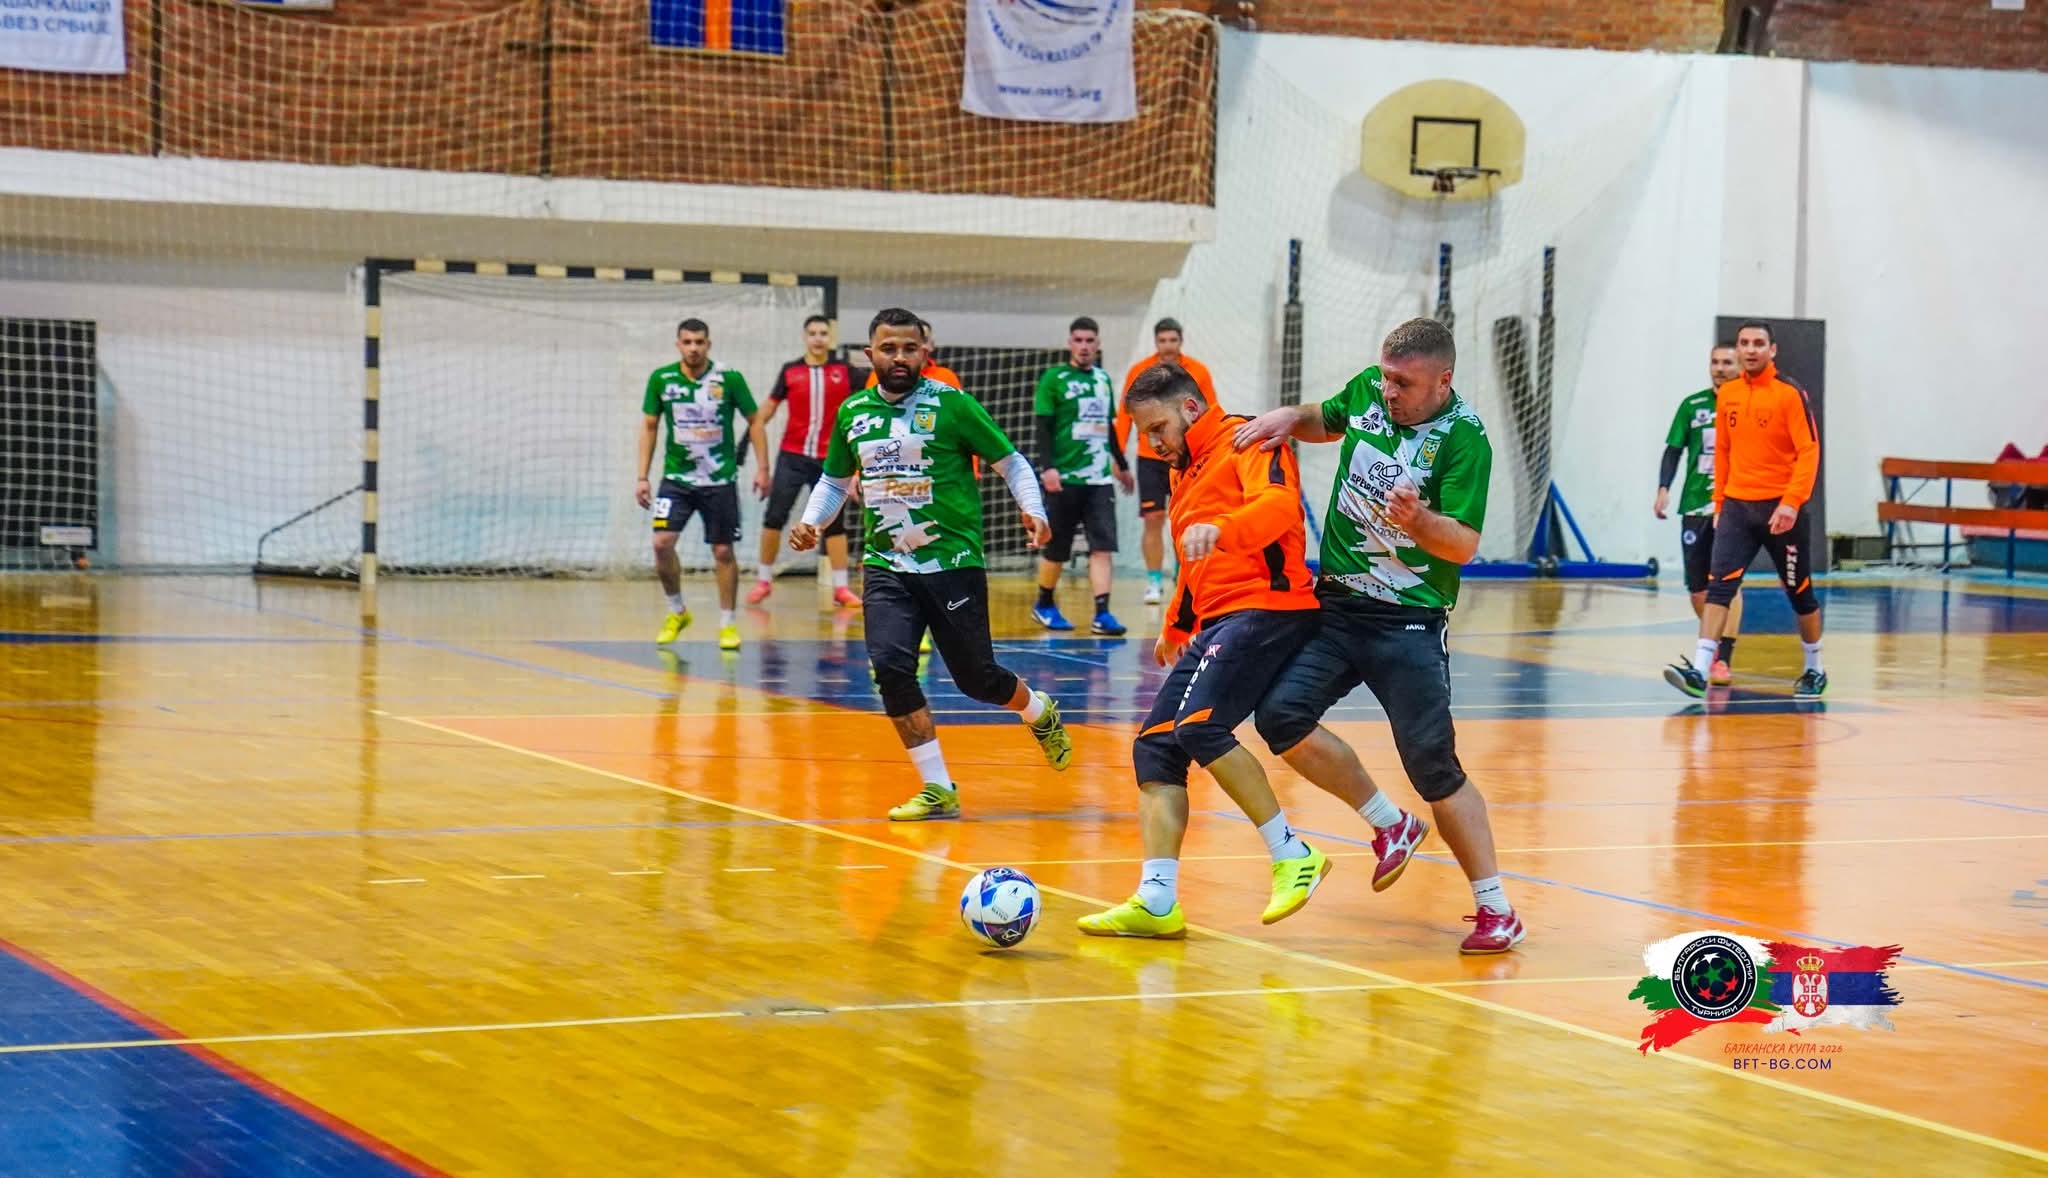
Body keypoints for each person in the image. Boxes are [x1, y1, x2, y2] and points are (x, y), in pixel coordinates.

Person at [1078, 365, 1414, 937]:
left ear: (1189, 408)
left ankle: (1292, 855)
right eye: (1144, 435)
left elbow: (1280, 508)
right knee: (1155, 748)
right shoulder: (1184, 473)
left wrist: (1225, 529)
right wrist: (1175, 624)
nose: (1153, 444)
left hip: (1269, 607)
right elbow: (1193, 562)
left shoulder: (1247, 439)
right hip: (1218, 620)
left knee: (1200, 727)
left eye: (1158, 428)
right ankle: (1156, 899)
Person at [1236, 317, 1523, 955]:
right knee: (1280, 716)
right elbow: (1325, 418)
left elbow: (1464, 545)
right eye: (1387, 378)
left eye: (1404, 383)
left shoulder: (1465, 439)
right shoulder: (1370, 389)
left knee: (1434, 767)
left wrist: (1419, 521)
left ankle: (1496, 908)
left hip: (1408, 623)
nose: (1390, 391)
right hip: (1338, 609)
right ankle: (1389, 824)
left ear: (1443, 380)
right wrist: (1289, 417)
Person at [790, 307, 1074, 821]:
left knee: (977, 679)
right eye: (888, 349)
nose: (899, 357)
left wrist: (1034, 509)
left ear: (925, 352)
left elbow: (1011, 462)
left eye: (909, 348)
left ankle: (1038, 710)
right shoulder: (853, 412)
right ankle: (938, 787)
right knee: (891, 669)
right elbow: (834, 482)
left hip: (952, 563)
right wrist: (812, 522)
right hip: (885, 565)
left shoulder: (953, 404)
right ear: (870, 354)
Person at [1664, 320, 1826, 700]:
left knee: (1799, 591)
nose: (1750, 349)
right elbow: (1723, 451)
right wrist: (1720, 503)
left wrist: (1791, 502)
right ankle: (1701, 670)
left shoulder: (1789, 394)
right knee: (1719, 586)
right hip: (1737, 507)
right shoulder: (1730, 394)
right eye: (1744, 343)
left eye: (1758, 343)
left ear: (1772, 350)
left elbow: (1808, 451)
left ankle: (1815, 668)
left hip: (1780, 509)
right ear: (1738, 350)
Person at [636, 318, 769, 652]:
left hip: (719, 480)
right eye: (687, 342)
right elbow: (650, 426)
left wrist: (763, 468)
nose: (693, 348)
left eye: (699, 342)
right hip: (676, 480)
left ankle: (727, 624)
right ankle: (677, 611)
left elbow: (755, 421)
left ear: (708, 344)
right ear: (678, 345)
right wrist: (642, 476)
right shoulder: (662, 379)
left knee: (723, 551)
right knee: (661, 543)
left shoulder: (729, 378)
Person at [750, 314, 862, 609]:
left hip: (829, 459)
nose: (818, 338)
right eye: (812, 333)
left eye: (823, 333)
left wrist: (857, 466)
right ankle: (763, 581)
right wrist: (754, 451)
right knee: (774, 516)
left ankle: (841, 588)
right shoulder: (791, 371)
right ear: (805, 337)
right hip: (792, 456)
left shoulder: (845, 370)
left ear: (830, 338)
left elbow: (865, 408)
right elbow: (764, 413)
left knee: (835, 523)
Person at [1032, 316, 1135, 635]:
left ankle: (1102, 613)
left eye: (1090, 340)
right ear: (1070, 344)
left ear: (1098, 344)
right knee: (1057, 548)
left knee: (1102, 547)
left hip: (1099, 480)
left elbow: (1109, 429)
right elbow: (1043, 428)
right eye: (1078, 340)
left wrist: (1122, 465)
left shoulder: (1103, 380)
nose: (1084, 346)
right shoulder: (1054, 378)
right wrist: (1048, 468)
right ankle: (1044, 603)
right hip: (1064, 478)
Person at [1656, 343, 1744, 684]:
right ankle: (1714, 642)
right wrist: (1663, 488)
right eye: (1715, 362)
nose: (1720, 368)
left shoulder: (1747, 404)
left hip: (1733, 505)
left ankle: (1722, 659)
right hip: (1694, 504)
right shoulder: (1692, 405)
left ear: (1739, 366)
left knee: (1727, 581)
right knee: (1697, 588)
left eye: (1727, 362)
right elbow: (1673, 450)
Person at [1114, 318, 1217, 606]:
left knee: (1186, 518)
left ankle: (1185, 576)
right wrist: (1118, 457)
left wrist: (1207, 451)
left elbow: (1208, 411)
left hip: (1185, 456)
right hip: (1149, 459)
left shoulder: (1198, 372)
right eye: (1163, 340)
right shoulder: (1139, 371)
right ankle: (1154, 580)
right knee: (1153, 518)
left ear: (1180, 341)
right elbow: (1124, 415)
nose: (1168, 346)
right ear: (1156, 342)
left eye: (1173, 340)